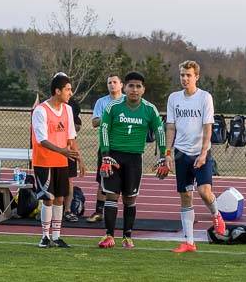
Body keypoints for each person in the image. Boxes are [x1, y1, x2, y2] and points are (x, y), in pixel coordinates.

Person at [97, 71, 166, 249]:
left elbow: (159, 131)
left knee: (130, 198)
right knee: (111, 196)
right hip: (113, 156)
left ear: (143, 89)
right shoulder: (113, 107)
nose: (134, 90)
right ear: (125, 87)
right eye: (131, 86)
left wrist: (163, 155)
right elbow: (103, 129)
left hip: (134, 159)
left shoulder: (149, 109)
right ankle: (109, 235)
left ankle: (127, 236)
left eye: (138, 86)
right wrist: (105, 155)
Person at [164, 60, 226, 254]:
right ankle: (189, 242)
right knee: (185, 196)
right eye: (182, 75)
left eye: (188, 75)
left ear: (196, 77)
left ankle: (216, 215)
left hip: (201, 151)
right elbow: (171, 126)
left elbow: (208, 127)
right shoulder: (174, 98)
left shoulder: (205, 98)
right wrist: (167, 152)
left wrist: (204, 152)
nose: (184, 78)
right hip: (181, 153)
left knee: (204, 192)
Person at [31, 73, 81, 248]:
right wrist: (63, 151)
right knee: (48, 199)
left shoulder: (68, 109)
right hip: (44, 161)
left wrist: (78, 157)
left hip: (62, 160)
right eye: (67, 89)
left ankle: (57, 236)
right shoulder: (41, 110)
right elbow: (42, 140)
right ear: (57, 91)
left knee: (60, 198)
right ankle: (44, 236)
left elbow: (71, 136)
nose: (70, 93)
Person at [87, 74, 123, 223]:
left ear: (121, 84)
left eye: (115, 82)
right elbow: (95, 122)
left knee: (125, 181)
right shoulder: (102, 102)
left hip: (124, 146)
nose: (112, 85)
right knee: (103, 178)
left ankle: (124, 211)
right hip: (106, 146)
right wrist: (108, 117)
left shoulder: (128, 101)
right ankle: (99, 211)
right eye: (109, 83)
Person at [61, 96, 83, 223]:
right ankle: (50, 209)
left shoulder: (72, 105)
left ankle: (67, 210)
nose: (69, 92)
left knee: (69, 181)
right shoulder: (47, 107)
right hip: (53, 151)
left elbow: (75, 130)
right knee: (51, 182)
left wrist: (79, 157)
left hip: (68, 149)